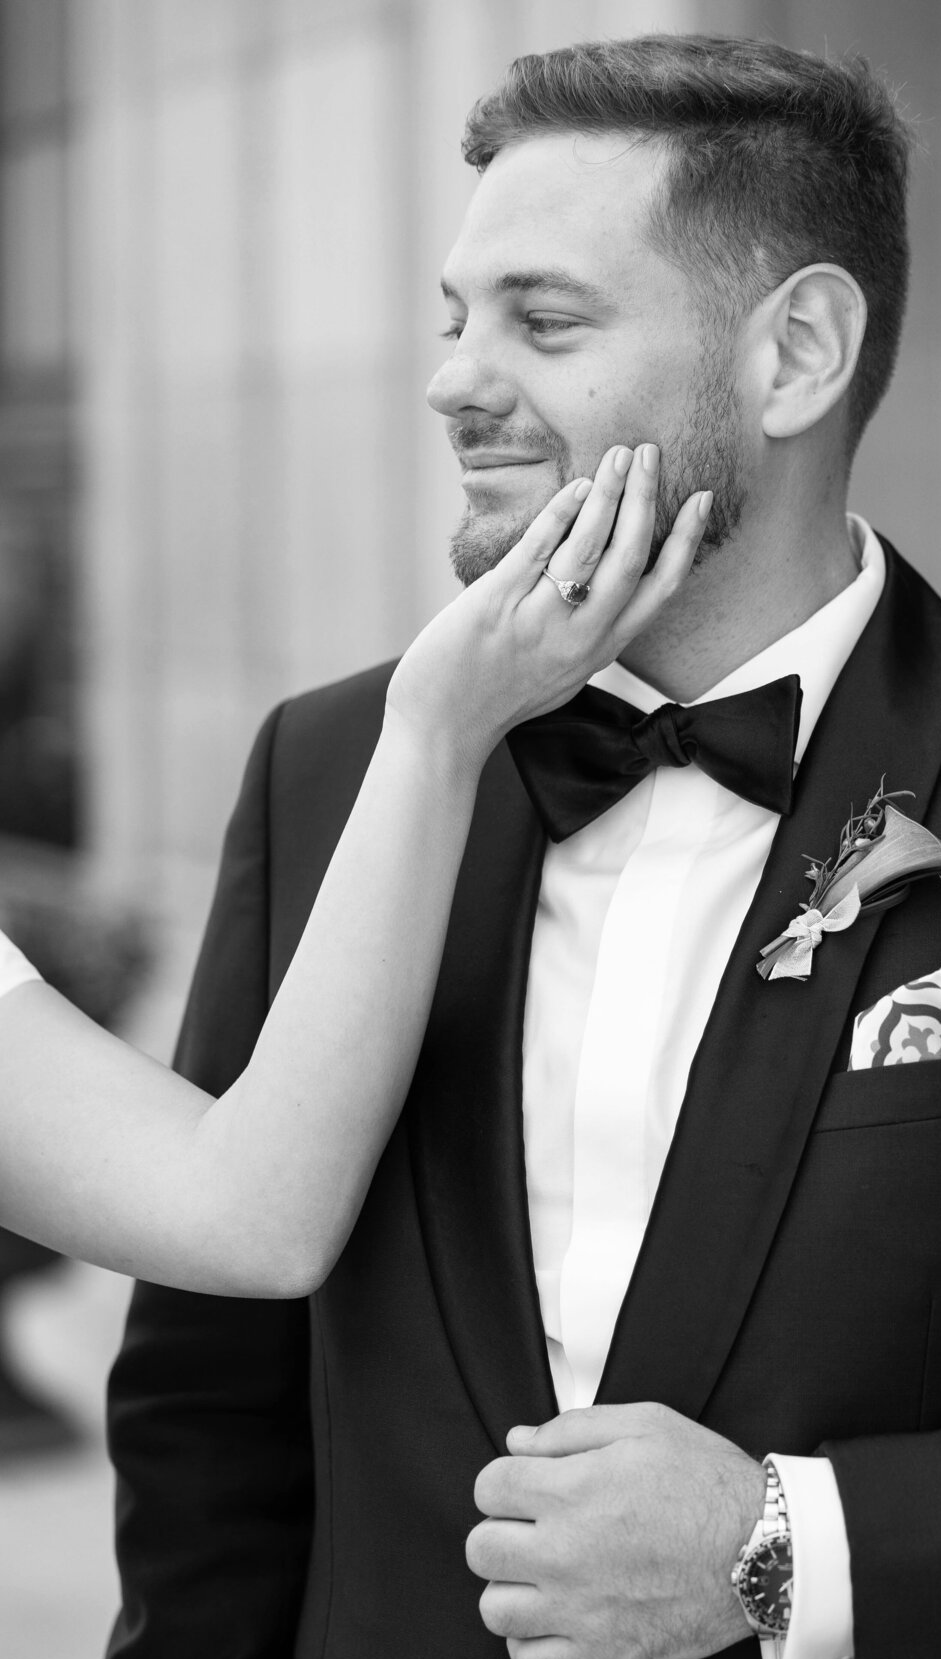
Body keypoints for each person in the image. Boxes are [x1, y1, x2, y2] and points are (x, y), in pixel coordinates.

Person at [105, 33, 941, 1659]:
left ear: (797, 355)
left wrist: (787, 1546)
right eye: (453, 316)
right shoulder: (338, 773)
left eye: (543, 323)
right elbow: (207, 1417)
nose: (456, 380)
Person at [0, 460, 705, 1296]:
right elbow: (251, 1230)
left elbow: (243, 1211)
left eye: (548, 322)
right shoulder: (309, 755)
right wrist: (434, 733)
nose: (453, 386)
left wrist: (434, 733)